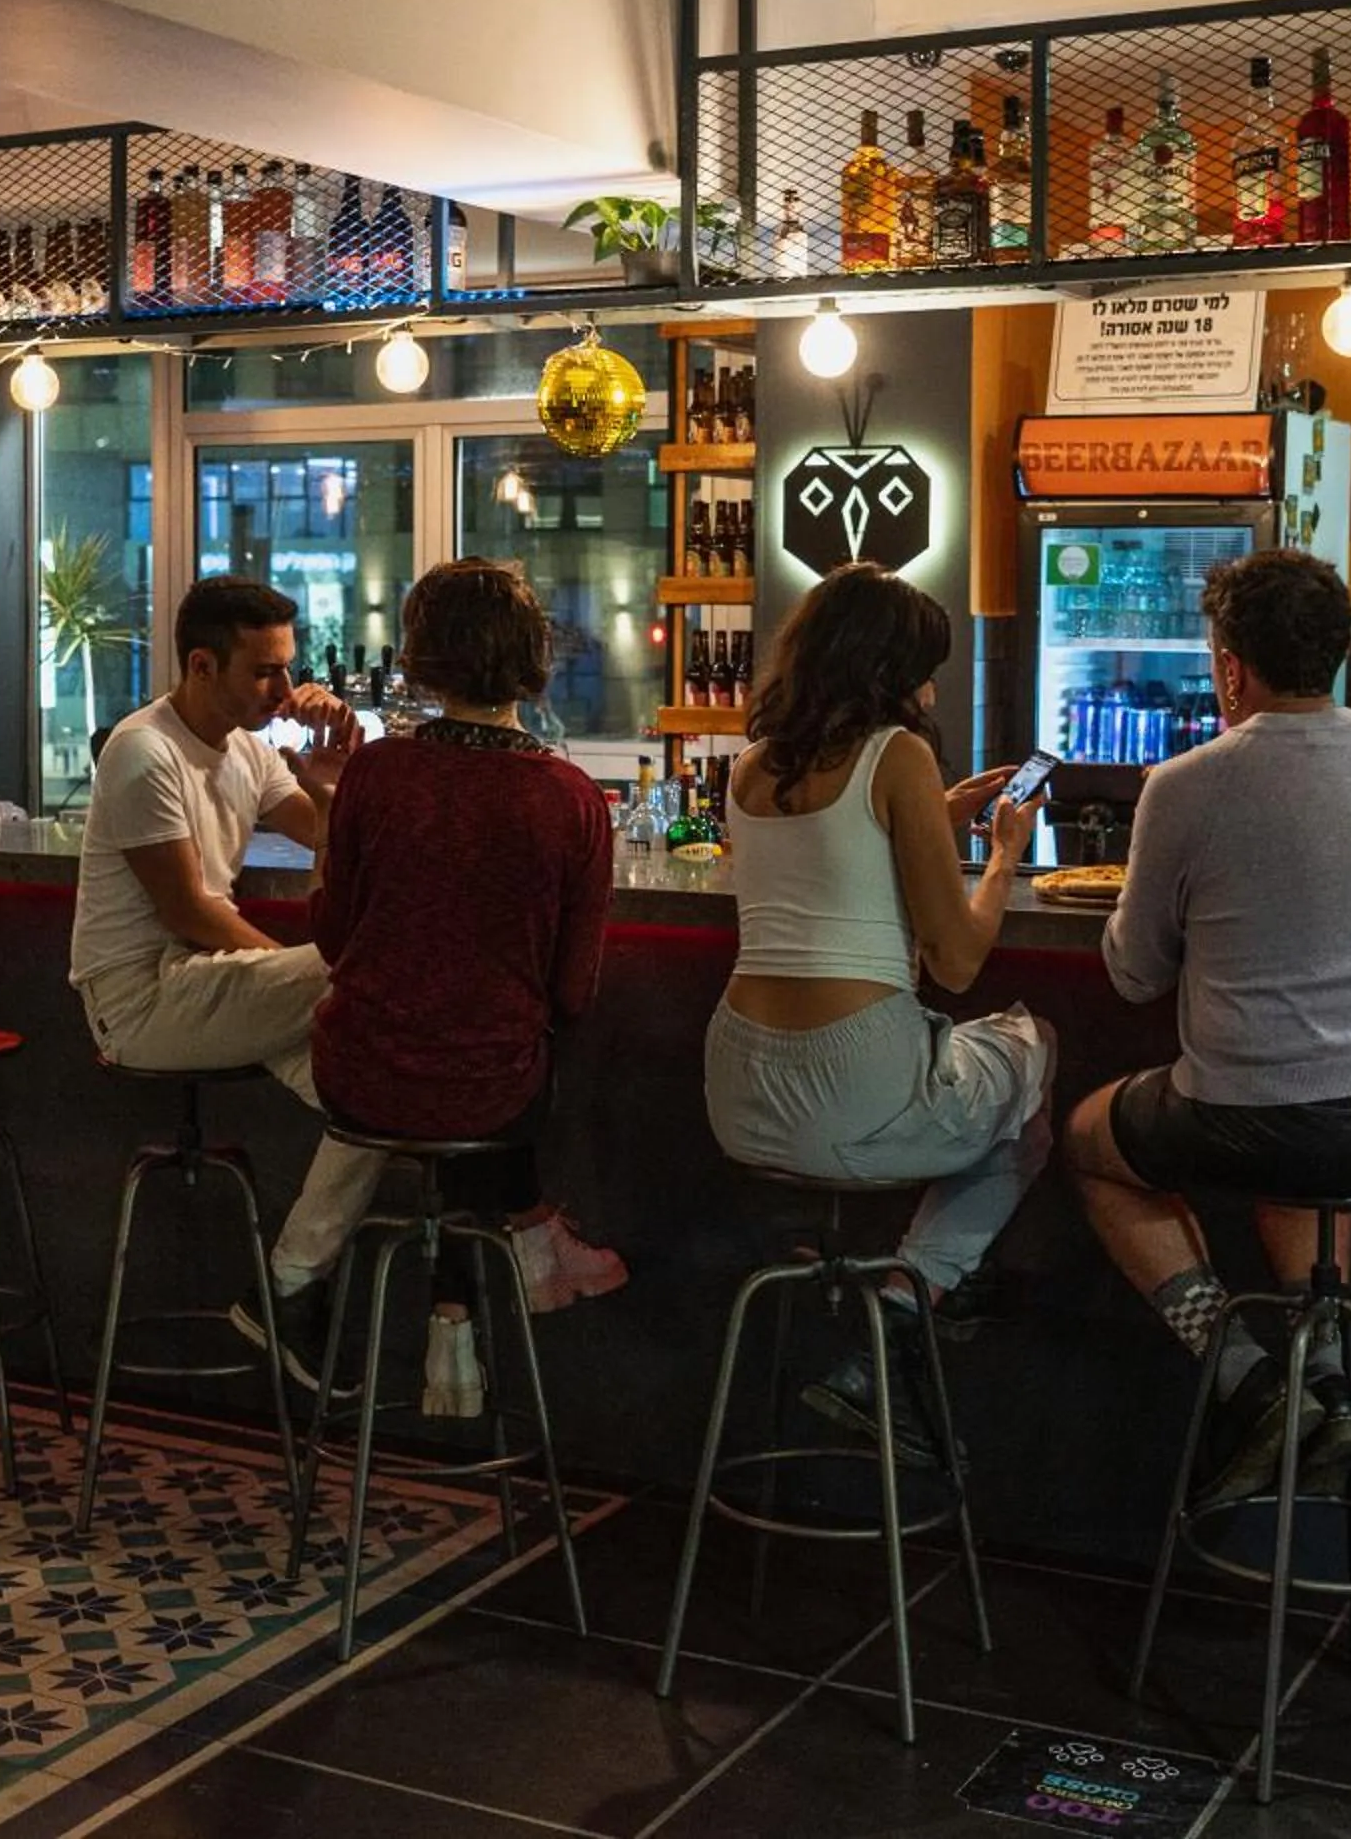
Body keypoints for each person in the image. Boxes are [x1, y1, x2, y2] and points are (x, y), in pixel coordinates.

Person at [1063, 549, 1351, 1509]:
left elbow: (1132, 975)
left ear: (1229, 666)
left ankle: (1243, 1371)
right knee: (1302, 1115)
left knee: (1092, 1142)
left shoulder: (1188, 782)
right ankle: (1324, 1379)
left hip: (1262, 1119)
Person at [703, 562, 1054, 1464]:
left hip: (739, 1088)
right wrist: (1004, 856)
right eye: (921, 671)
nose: (929, 690)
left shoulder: (749, 767)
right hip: (855, 1088)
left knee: (972, 1066)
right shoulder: (898, 753)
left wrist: (933, 815)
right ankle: (910, 1306)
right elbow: (960, 961)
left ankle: (911, 1308)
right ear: (885, 672)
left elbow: (831, 854)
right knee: (1033, 1053)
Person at [309, 560, 627, 1339]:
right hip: (496, 1092)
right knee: (490, 1065)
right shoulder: (572, 799)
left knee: (452, 1055)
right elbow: (574, 994)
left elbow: (333, 937)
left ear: (420, 655)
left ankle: (455, 1313)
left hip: (358, 1081)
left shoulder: (375, 773)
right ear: (532, 657)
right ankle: (520, 1239)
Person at [69, 576, 375, 1386]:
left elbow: (338, 851)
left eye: (287, 666)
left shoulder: (246, 747)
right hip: (141, 1003)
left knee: (382, 1095)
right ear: (203, 666)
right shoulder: (143, 751)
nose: (286, 687)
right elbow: (193, 915)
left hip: (208, 986)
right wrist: (304, 969)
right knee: (369, 977)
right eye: (266, 671)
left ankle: (285, 1286)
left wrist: (332, 784)